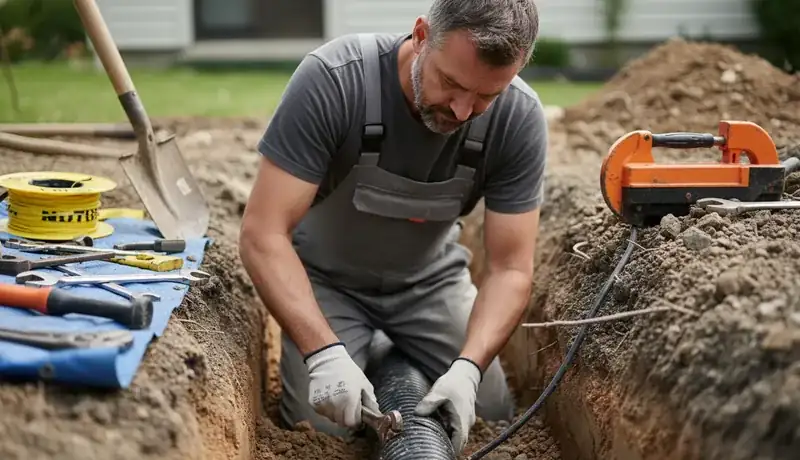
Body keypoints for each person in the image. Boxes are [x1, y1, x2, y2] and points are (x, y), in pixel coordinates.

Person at [239, 0, 546, 455]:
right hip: (326, 285)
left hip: (429, 285)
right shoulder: (334, 81)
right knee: (320, 430)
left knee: (489, 413)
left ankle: (394, 357)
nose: (463, 111)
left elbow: (510, 269)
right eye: (452, 84)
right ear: (421, 35)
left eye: (486, 97)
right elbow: (263, 233)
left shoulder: (518, 117)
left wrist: (468, 369)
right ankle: (365, 350)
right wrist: (323, 352)